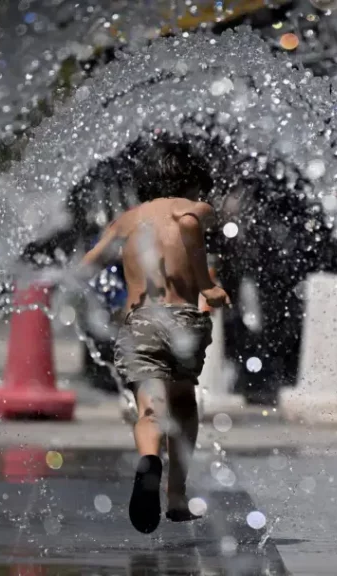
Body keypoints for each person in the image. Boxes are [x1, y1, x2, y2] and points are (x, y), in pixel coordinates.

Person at [77, 142, 230, 534]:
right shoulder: (195, 210)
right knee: (182, 402)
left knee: (148, 407)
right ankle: (176, 497)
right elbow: (192, 229)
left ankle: (149, 458)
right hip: (184, 321)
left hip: (140, 320)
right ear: (194, 182)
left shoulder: (128, 220)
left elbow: (87, 264)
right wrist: (207, 286)